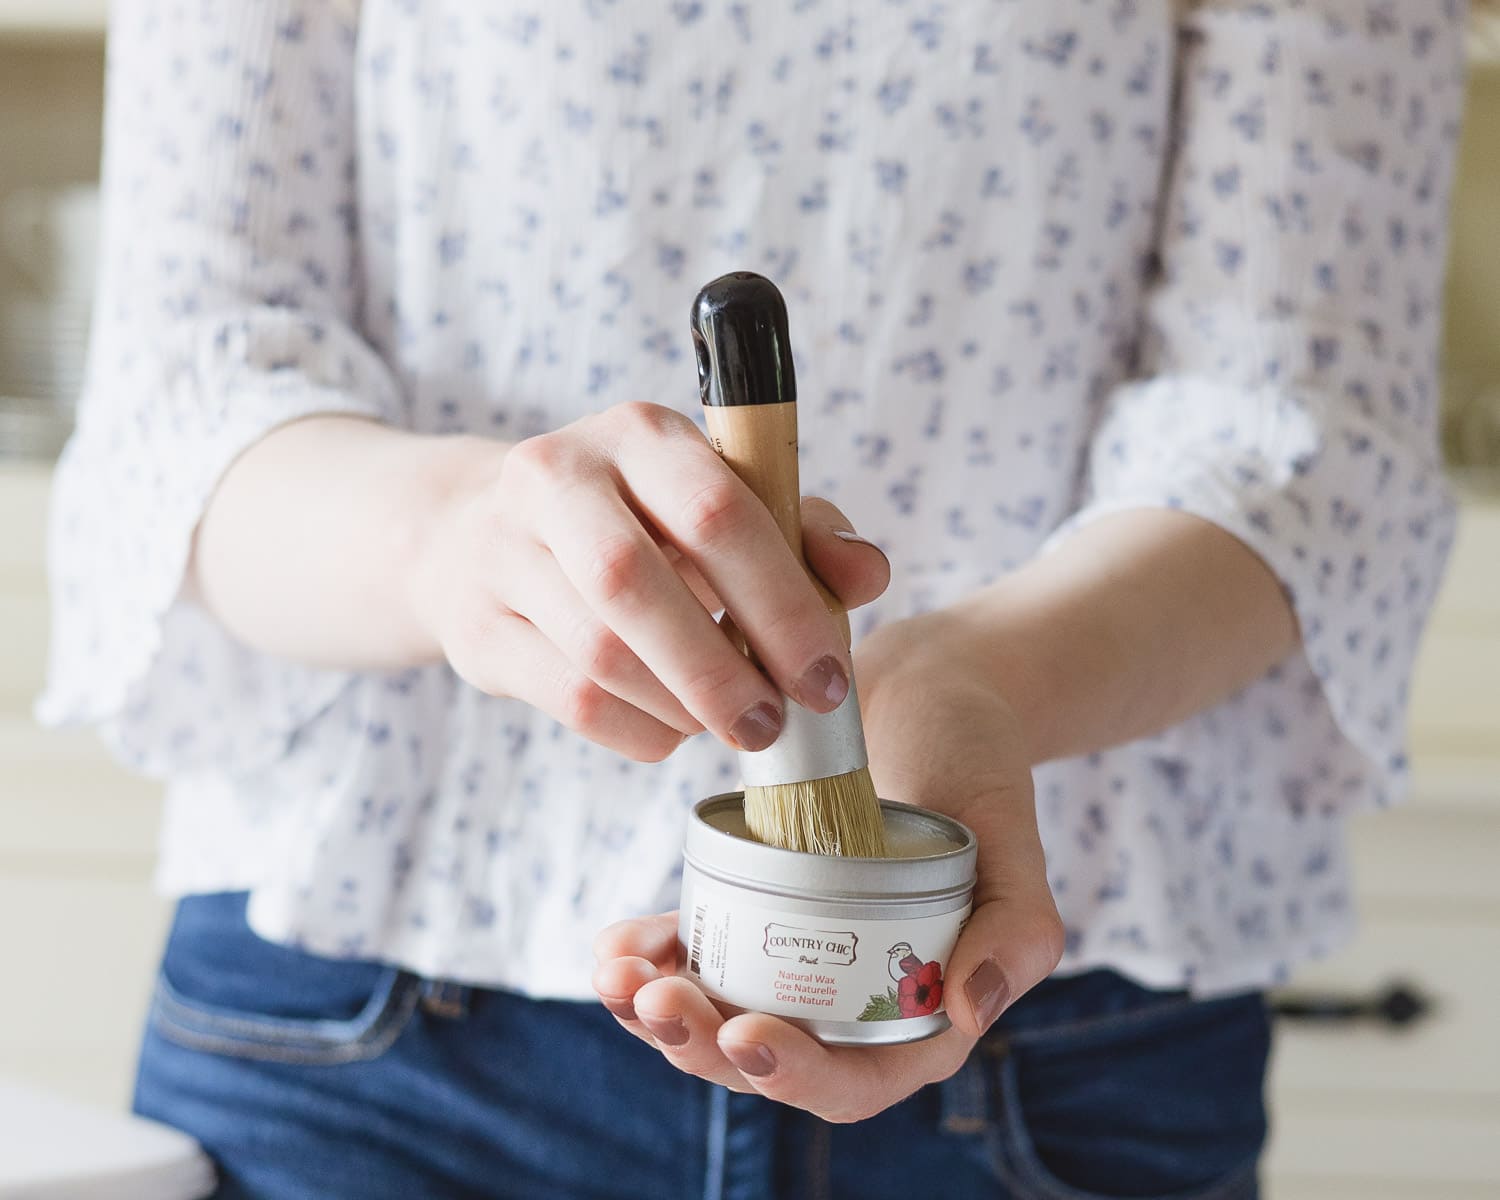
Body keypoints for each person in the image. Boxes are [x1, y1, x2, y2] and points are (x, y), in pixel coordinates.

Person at [41, 1, 1467, 1197]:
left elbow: (1302, 436)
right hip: (363, 1045)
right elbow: (189, 403)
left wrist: (971, 681)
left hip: (1059, 1059)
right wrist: (457, 541)